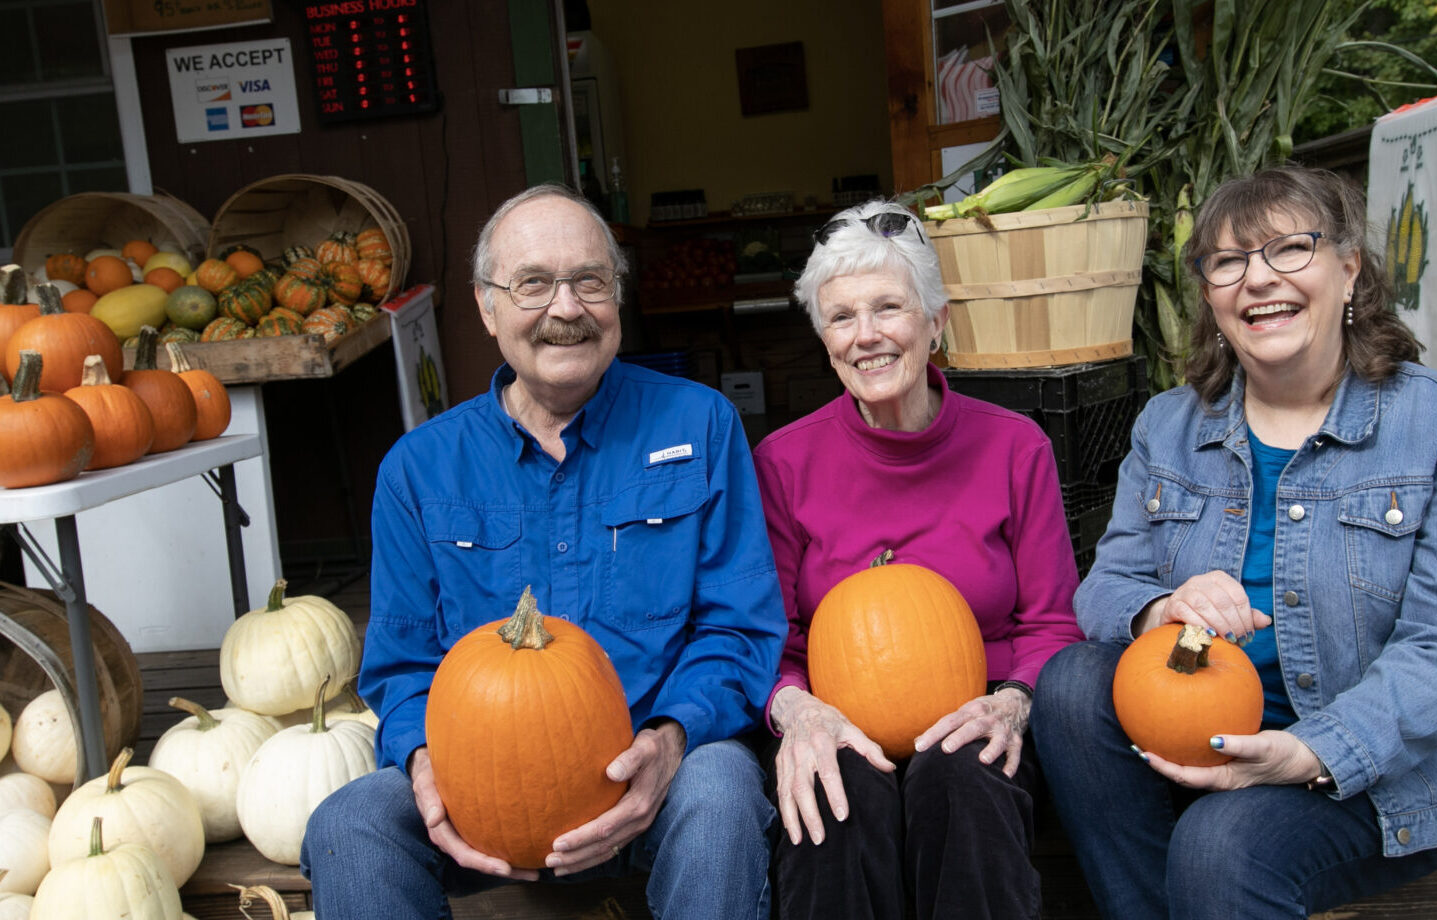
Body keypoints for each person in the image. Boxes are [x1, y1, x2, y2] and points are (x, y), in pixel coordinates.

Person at [1030, 164, 1437, 919]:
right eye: (1227, 262)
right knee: (1070, 682)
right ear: (1208, 293)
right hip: (1201, 733)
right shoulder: (1168, 425)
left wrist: (1311, 753)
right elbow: (1103, 590)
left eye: (1288, 250)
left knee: (1223, 844)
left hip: (1370, 766)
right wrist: (1161, 608)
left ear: (1348, 267)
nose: (1256, 281)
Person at [300, 184, 787, 920]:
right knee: (351, 825)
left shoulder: (700, 424)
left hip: (656, 771)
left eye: (590, 280)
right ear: (487, 307)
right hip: (482, 790)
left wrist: (669, 739)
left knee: (721, 794)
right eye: (533, 284)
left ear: (616, 297)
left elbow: (740, 625)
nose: (567, 309)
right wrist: (429, 770)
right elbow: (400, 667)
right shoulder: (419, 469)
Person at [752, 199, 1085, 920]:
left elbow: (1053, 624)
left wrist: (1013, 701)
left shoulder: (1012, 445)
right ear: (823, 337)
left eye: (888, 309)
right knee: (832, 791)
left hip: (977, 710)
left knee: (963, 776)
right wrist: (799, 712)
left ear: (935, 322)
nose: (866, 336)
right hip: (837, 716)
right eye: (841, 318)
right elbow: (765, 637)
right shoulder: (784, 462)